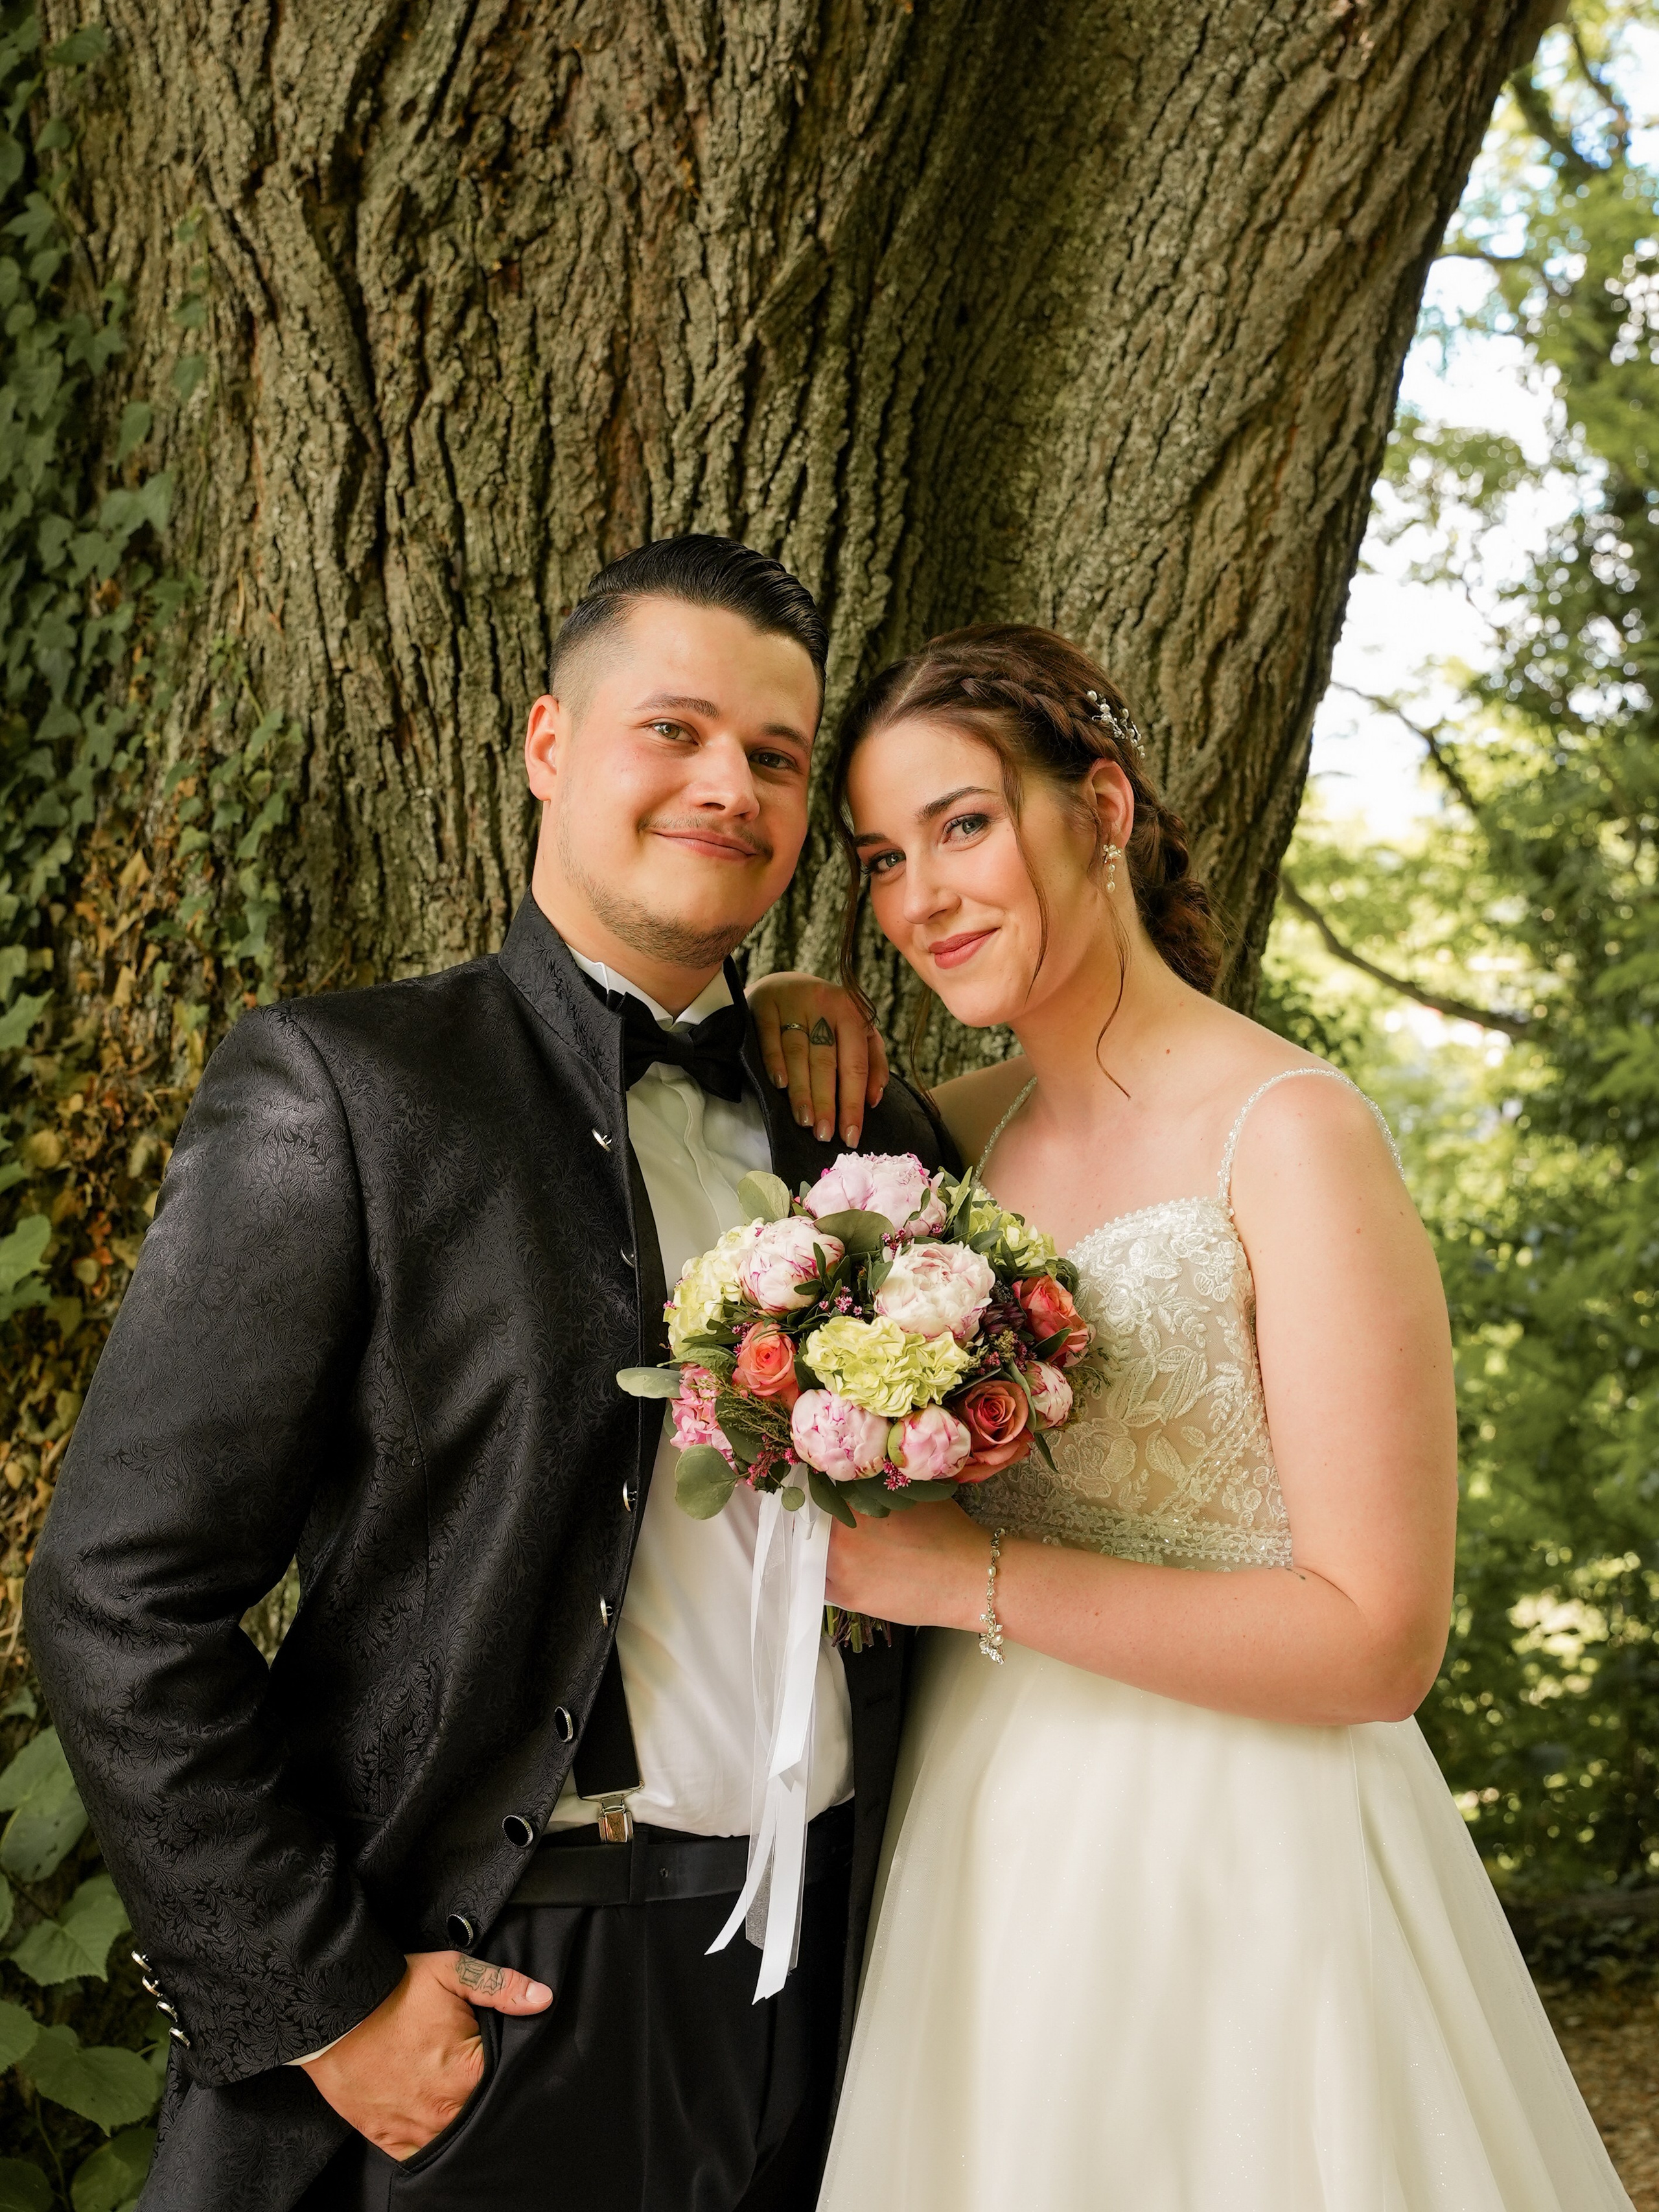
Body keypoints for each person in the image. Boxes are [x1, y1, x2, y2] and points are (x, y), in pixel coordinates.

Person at [25, 535, 948, 2212]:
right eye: (671, 729)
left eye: (775, 755)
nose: (724, 783)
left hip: (831, 1999)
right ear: (545, 744)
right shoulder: (347, 1088)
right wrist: (325, 2000)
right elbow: (117, 1591)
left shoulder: (858, 1130)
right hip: (506, 1999)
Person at [813, 625, 1631, 2211]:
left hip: (1247, 1849)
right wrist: (790, 999)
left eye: (964, 824)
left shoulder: (1292, 1134)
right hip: (984, 1841)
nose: (920, 897)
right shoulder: (942, 1146)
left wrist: (954, 1582)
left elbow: (1376, 1639)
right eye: (879, 858)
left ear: (1099, 809)